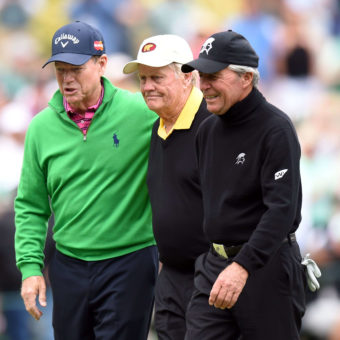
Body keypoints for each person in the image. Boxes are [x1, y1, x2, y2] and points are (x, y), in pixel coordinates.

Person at [14, 21, 158, 340]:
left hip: (129, 261)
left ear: (101, 64)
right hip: (69, 265)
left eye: (76, 69)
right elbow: (31, 207)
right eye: (60, 70)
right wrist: (30, 268)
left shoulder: (142, 110)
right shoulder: (41, 127)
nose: (67, 79)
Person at [181, 30, 306, 339]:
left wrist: (243, 266)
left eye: (213, 76)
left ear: (246, 78)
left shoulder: (275, 129)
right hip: (214, 265)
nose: (204, 85)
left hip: (266, 267)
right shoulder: (207, 131)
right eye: (201, 76)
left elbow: (281, 211)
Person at [123, 35, 210, 339]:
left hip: (213, 272)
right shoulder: (158, 126)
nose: (147, 86)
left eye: (157, 77)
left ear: (188, 76)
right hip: (172, 274)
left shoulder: (213, 126)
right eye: (143, 78)